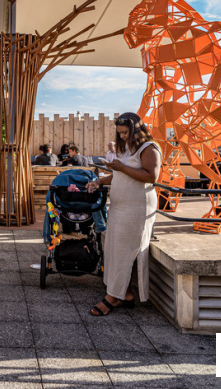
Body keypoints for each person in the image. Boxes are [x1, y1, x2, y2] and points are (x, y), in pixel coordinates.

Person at [88, 112, 161, 316]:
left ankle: (113, 297)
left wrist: (121, 167)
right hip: (120, 208)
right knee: (113, 249)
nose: (121, 136)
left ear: (136, 129)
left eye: (125, 132)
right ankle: (125, 293)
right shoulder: (128, 148)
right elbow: (120, 174)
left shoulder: (149, 148)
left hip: (137, 208)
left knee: (124, 252)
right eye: (119, 133)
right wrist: (99, 181)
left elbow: (152, 176)